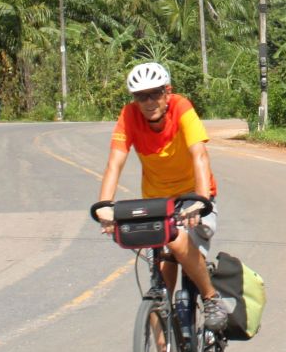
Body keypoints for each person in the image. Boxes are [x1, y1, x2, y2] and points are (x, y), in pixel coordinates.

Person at [95, 61, 229, 333]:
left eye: (155, 93)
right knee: (160, 287)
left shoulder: (182, 107)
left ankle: (211, 298)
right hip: (157, 201)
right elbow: (114, 163)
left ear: (167, 92)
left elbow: (199, 155)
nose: (148, 102)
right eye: (141, 96)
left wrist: (200, 200)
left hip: (193, 196)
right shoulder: (129, 115)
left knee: (177, 241)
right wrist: (105, 206)